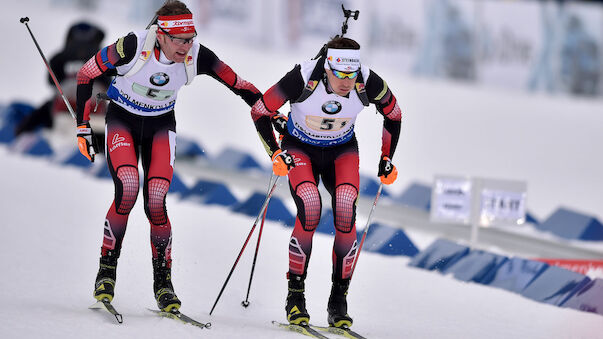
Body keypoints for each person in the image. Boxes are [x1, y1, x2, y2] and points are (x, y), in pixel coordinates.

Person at [75, 0, 262, 312]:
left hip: (161, 125)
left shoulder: (197, 54)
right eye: (179, 40)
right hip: (122, 120)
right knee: (128, 188)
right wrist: (82, 126)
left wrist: (271, 112)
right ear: (160, 34)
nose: (186, 47)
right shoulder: (133, 46)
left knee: (156, 198)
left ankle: (163, 282)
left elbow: (239, 84)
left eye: (190, 39)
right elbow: (85, 73)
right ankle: (106, 271)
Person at [250, 36, 401, 327]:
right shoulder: (303, 77)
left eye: (352, 74)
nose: (346, 82)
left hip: (341, 151)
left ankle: (338, 301)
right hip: (299, 147)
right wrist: (276, 153)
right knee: (310, 205)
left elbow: (394, 114)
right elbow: (260, 111)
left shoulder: (367, 81)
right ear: (327, 66)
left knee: (345, 210)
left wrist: (387, 157)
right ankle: (295, 296)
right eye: (340, 74)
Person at [15, 22, 109, 137]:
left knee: (37, 117)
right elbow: (109, 85)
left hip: (68, 107)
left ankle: (21, 135)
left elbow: (51, 81)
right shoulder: (104, 61)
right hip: (91, 110)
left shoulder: (59, 58)